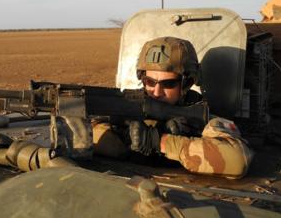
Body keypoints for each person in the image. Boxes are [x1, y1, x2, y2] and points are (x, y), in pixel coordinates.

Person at [92, 37, 253, 179]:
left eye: (168, 84)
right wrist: (124, 139)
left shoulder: (200, 116)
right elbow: (89, 130)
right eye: (149, 81)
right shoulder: (128, 105)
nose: (156, 92)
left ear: (187, 83)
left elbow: (238, 160)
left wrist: (159, 142)